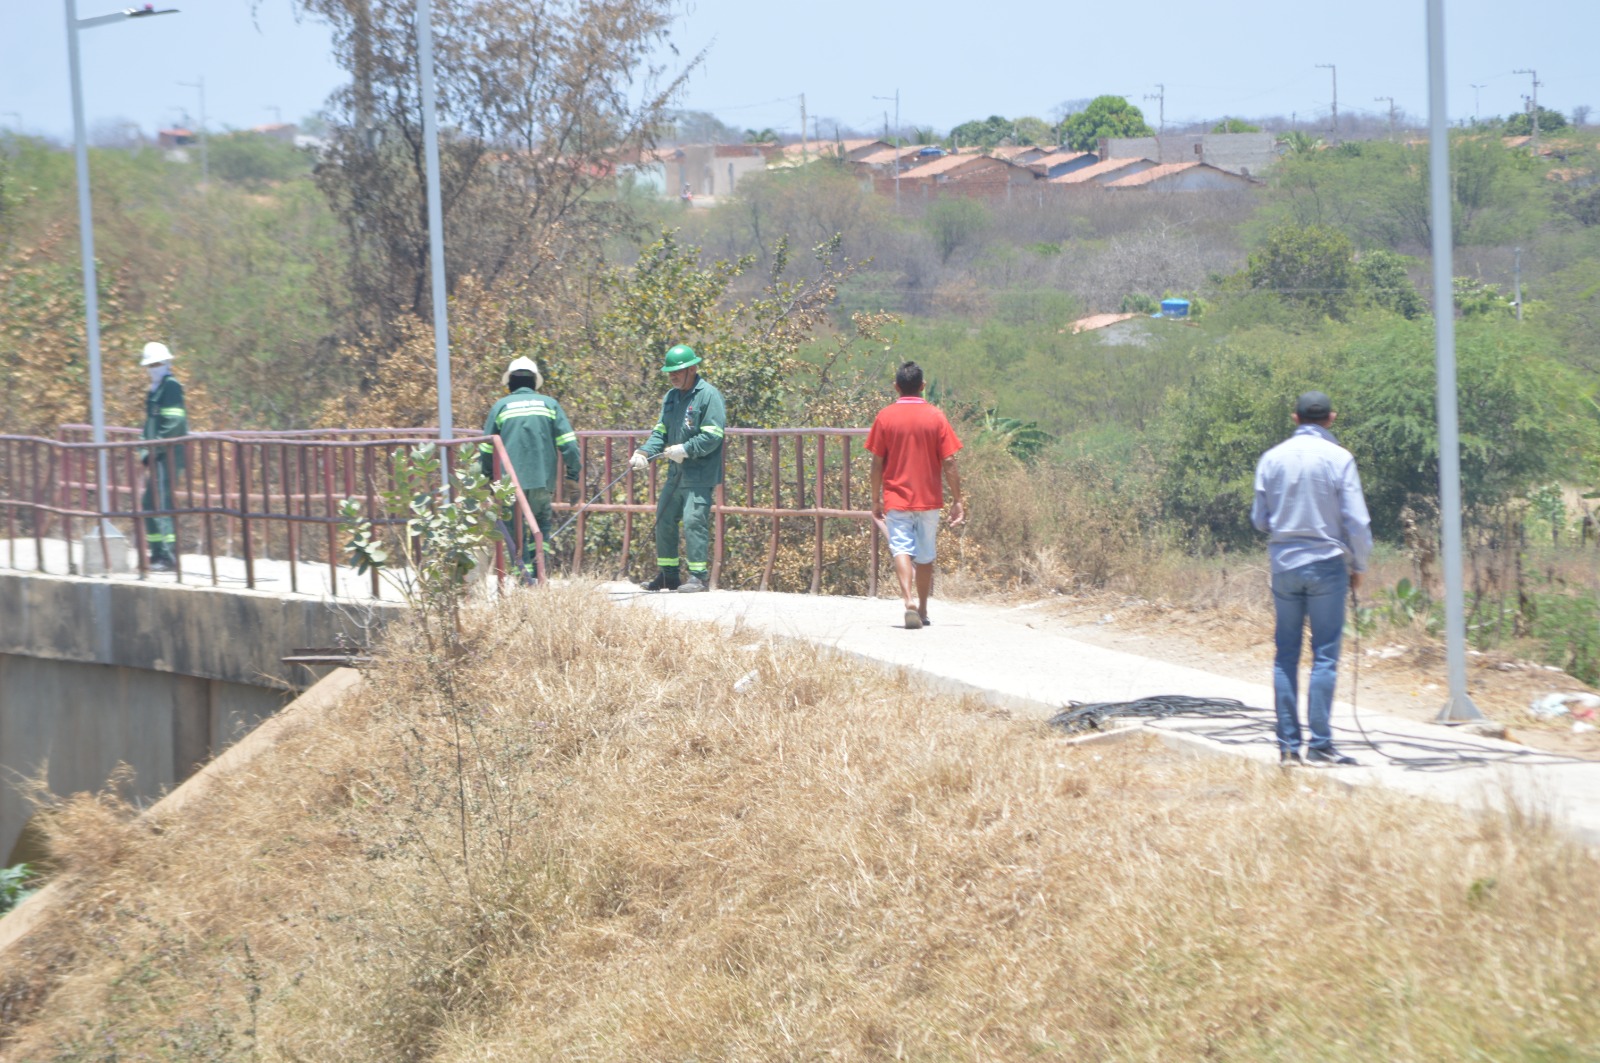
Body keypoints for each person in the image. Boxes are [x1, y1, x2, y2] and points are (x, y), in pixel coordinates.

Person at [1251, 391, 1373, 767]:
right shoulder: (1340, 458)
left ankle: (1288, 748)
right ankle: (1320, 744)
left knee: (1285, 655)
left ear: (1295, 418)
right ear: (1331, 419)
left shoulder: (1271, 458)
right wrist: (1360, 566)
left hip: (1285, 565)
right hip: (1327, 565)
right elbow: (1358, 521)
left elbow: (1259, 519)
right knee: (1324, 656)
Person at [865, 361, 965, 630]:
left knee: (900, 548)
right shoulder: (936, 416)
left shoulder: (885, 417)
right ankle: (922, 609)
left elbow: (876, 462)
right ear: (922, 386)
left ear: (896, 387)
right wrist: (957, 499)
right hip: (929, 498)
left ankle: (907, 600)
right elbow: (950, 461)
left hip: (896, 497)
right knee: (925, 555)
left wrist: (875, 499)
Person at [630, 344, 725, 593]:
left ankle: (697, 577)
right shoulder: (671, 397)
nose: (672, 375)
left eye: (678, 371)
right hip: (676, 473)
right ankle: (668, 576)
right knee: (664, 519)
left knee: (694, 520)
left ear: (692, 369)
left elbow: (713, 435)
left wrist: (686, 449)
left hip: (699, 474)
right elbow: (660, 432)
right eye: (670, 371)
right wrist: (644, 453)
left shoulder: (708, 395)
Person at [478, 356, 581, 578]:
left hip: (507, 485)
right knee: (540, 527)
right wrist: (572, 477)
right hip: (542, 482)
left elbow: (486, 450)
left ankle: (523, 580)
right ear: (535, 382)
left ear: (510, 383)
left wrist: (486, 479)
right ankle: (539, 575)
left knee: (516, 533)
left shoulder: (500, 407)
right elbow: (570, 445)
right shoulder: (550, 405)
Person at [138, 341, 187, 571]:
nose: (154, 368)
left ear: (167, 362)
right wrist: (144, 449)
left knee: (162, 502)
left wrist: (154, 447)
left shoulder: (171, 387)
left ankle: (169, 556)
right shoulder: (155, 390)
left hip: (168, 454)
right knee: (149, 502)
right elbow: (150, 424)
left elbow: (175, 421)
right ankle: (157, 553)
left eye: (158, 363)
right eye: (151, 364)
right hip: (157, 453)